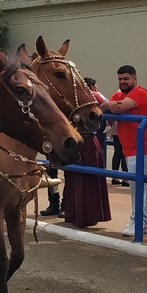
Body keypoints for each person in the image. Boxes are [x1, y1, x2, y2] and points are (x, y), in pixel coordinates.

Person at [99, 65, 147, 237]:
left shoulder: (140, 92)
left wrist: (111, 105)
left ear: (135, 78)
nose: (123, 82)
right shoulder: (119, 94)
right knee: (140, 184)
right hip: (130, 147)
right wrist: (110, 105)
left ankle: (138, 221)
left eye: (126, 78)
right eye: (120, 79)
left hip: (143, 146)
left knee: (138, 184)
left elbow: (120, 107)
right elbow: (105, 106)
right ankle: (144, 220)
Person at [62, 75, 112, 228]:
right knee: (74, 177)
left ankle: (89, 215)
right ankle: (74, 214)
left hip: (88, 140)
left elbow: (105, 107)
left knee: (88, 177)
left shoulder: (93, 96)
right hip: (75, 140)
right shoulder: (66, 99)